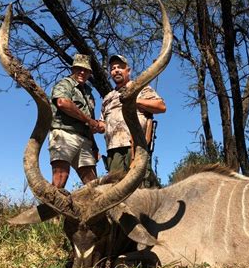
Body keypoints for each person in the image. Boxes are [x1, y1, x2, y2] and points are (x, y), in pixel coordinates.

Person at [99, 54, 166, 185]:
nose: (116, 70)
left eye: (120, 67)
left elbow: (161, 106)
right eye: (113, 68)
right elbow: (102, 124)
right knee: (115, 189)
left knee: (140, 189)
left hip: (135, 147)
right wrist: (94, 125)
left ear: (128, 71)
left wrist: (134, 100)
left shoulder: (140, 88)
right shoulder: (108, 98)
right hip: (113, 150)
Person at [48, 54, 104, 188]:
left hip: (84, 140)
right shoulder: (65, 84)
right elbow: (62, 103)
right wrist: (90, 121)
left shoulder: (89, 93)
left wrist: (94, 146)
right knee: (60, 177)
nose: (82, 72)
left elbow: (87, 123)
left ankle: (93, 209)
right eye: (79, 68)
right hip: (64, 133)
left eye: (86, 70)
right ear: (73, 69)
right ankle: (50, 209)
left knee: (93, 184)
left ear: (90, 72)